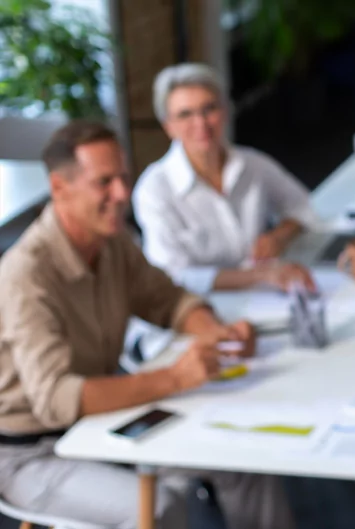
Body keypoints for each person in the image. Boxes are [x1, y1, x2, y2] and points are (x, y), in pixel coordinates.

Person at [0, 121, 296, 529]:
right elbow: (56, 398)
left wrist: (213, 331)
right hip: (32, 454)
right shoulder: (25, 275)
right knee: (155, 508)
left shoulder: (112, 242)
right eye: (104, 182)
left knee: (242, 458)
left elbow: (169, 299)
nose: (123, 194)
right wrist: (175, 378)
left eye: (123, 176)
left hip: (101, 425)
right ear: (59, 187)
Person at [133, 62, 317, 294]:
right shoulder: (154, 189)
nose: (200, 123)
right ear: (168, 127)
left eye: (209, 108)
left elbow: (302, 206)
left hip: (265, 295)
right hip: (204, 305)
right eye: (185, 114)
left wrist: (279, 236)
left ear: (225, 111)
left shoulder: (252, 164)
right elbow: (173, 273)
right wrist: (260, 274)